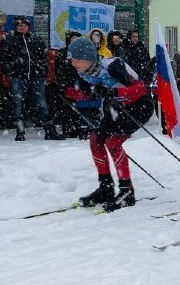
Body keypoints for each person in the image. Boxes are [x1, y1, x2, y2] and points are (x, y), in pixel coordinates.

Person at [64, 37, 153, 211]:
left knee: (113, 142)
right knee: (95, 139)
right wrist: (64, 92)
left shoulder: (113, 66)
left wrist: (114, 91)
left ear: (89, 57)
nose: (74, 63)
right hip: (116, 108)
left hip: (139, 106)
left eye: (77, 59)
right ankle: (105, 188)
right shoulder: (83, 73)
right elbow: (87, 94)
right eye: (72, 59)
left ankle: (127, 191)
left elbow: (141, 89)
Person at [0, 15, 62, 141]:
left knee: (42, 104)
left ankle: (50, 130)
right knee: (18, 104)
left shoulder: (36, 39)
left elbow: (44, 58)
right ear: (16, 27)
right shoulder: (9, 39)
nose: (22, 27)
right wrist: (10, 72)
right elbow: (2, 58)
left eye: (25, 25)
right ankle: (20, 132)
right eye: (20, 25)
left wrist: (42, 72)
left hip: (36, 77)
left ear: (29, 27)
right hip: (18, 77)